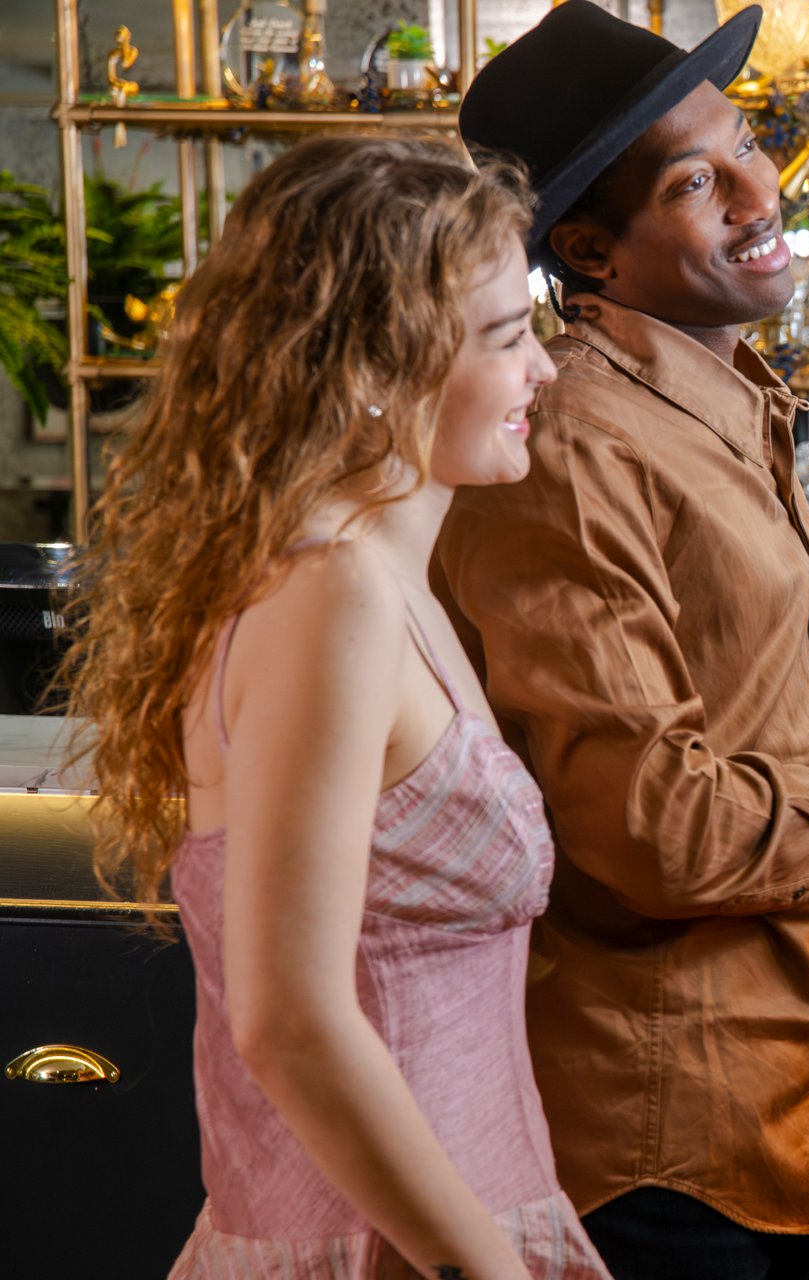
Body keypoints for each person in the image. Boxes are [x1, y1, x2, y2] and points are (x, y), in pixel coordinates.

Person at [440, 5, 809, 1277]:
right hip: (661, 1132)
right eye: (697, 180)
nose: (762, 191)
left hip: (780, 1100)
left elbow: (682, 713)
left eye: (746, 143)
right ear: (587, 249)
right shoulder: (572, 449)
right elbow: (650, 825)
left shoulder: (715, 403)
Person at [62, 136, 608, 1277]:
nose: (546, 369)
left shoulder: (373, 576)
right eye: (509, 337)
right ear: (374, 368)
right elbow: (288, 1014)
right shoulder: (331, 591)